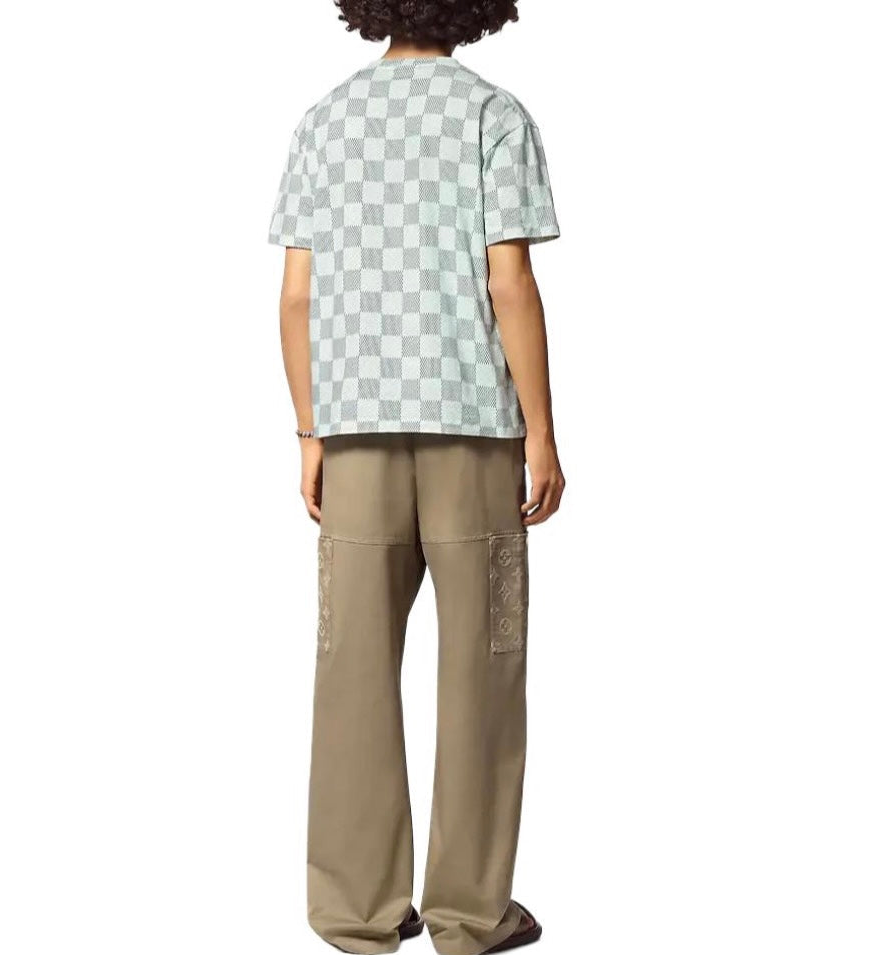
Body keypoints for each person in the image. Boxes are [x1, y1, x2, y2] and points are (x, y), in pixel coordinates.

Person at [268, 2, 565, 952]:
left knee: (350, 667)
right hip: (471, 427)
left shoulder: (325, 118)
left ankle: (355, 909)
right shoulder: (489, 114)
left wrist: (309, 431)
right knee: (482, 666)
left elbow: (297, 294)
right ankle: (468, 913)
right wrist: (542, 430)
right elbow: (508, 279)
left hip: (353, 429)